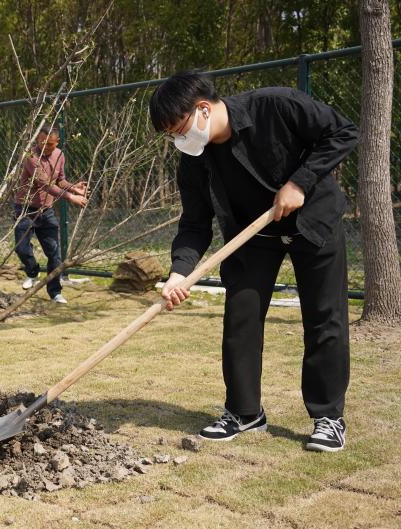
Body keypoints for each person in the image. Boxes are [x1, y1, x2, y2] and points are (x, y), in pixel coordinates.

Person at [149, 71, 358, 452]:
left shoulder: (276, 105)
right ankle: (244, 412)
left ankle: (328, 417)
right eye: (172, 136)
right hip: (253, 236)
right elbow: (194, 223)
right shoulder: (194, 160)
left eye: (179, 130)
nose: (179, 140)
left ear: (203, 109)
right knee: (240, 318)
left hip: (314, 222)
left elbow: (342, 132)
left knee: (324, 317)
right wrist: (180, 272)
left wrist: (300, 182)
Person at [13, 126, 88, 304]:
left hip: (46, 211)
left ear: (57, 142)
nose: (45, 147)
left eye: (50, 145)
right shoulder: (31, 157)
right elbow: (45, 184)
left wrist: (74, 187)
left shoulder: (59, 155)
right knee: (21, 248)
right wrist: (71, 197)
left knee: (54, 253)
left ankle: (55, 292)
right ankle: (32, 272)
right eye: (42, 143)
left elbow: (59, 180)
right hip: (25, 209)